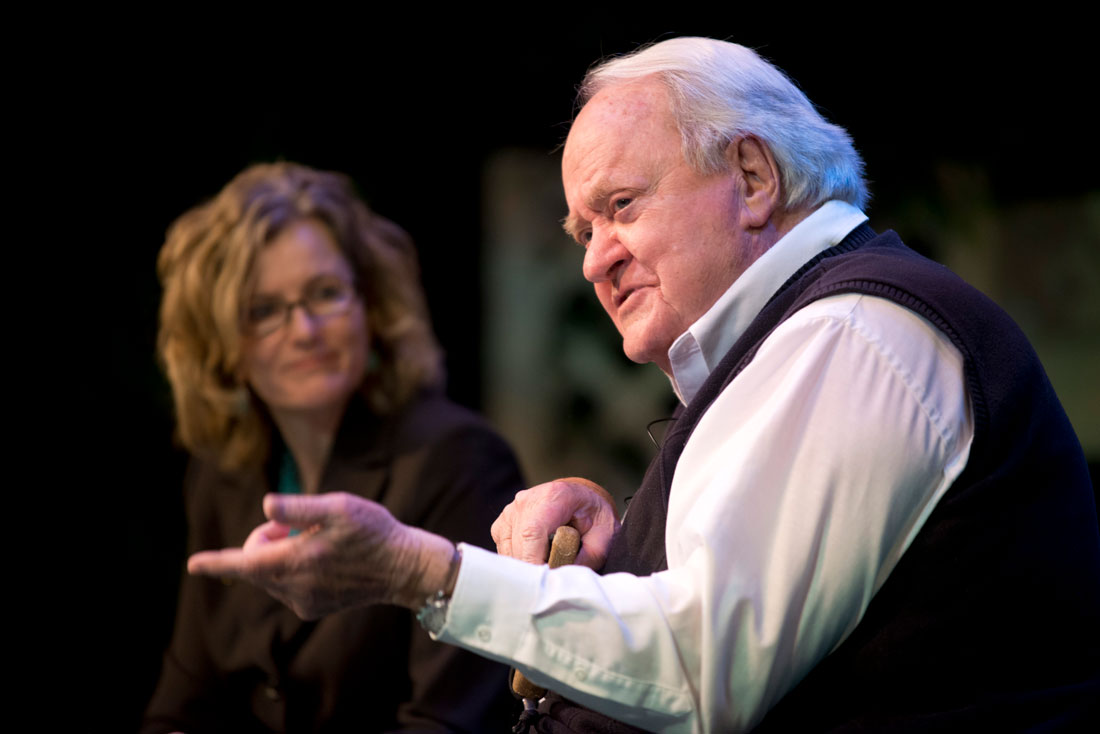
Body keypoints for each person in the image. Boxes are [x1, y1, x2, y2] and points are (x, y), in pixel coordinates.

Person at [188, 41, 1100, 732]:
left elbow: (706, 672)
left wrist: (416, 570)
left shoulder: (856, 334)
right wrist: (625, 551)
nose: (594, 262)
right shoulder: (799, 339)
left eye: (621, 208)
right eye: (580, 230)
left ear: (751, 175)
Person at [144, 162, 524, 733]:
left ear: (370, 306)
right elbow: (183, 704)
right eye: (265, 311)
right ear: (220, 341)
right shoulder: (222, 474)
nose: (305, 331)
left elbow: (449, 723)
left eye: (325, 294)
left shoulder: (458, 460)